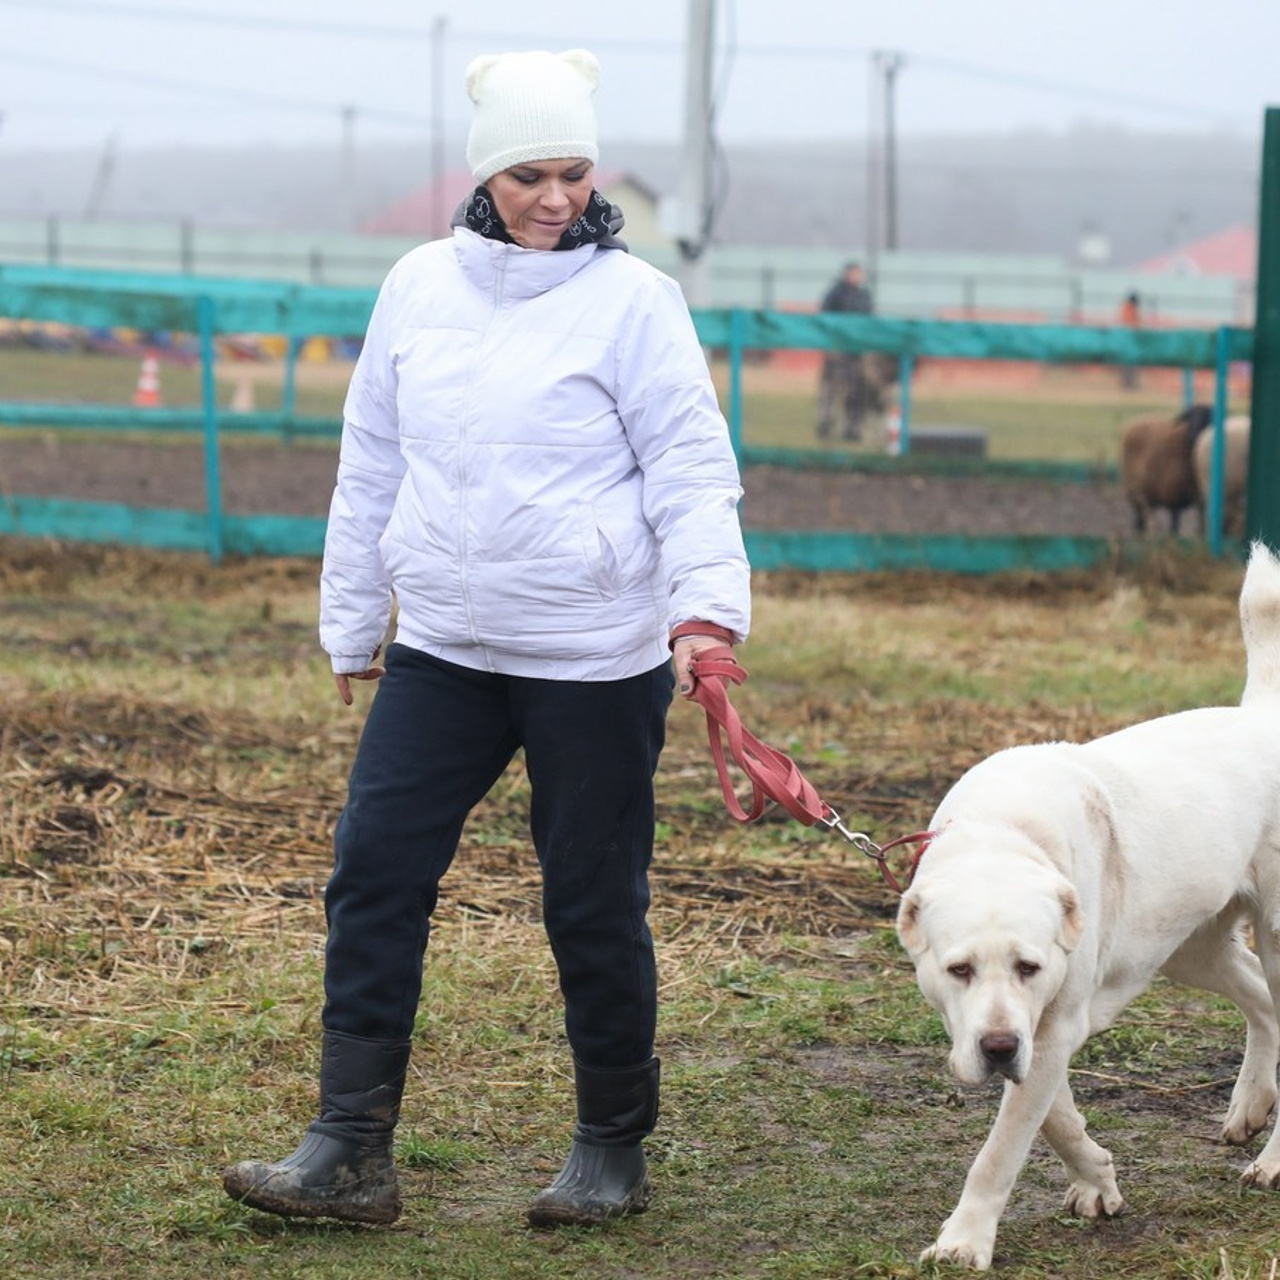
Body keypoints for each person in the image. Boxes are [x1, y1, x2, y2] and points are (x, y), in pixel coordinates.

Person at [222, 48, 751, 1232]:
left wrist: (703, 615)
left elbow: (688, 469)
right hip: (445, 647)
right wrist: (354, 618)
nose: (554, 198)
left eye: (571, 172)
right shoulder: (417, 284)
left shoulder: (633, 302)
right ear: (484, 176)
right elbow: (372, 459)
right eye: (527, 175)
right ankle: (348, 1148)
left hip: (591, 659)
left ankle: (610, 1145)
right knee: (374, 872)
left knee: (590, 899)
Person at [816, 260, 875, 441]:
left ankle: (852, 428)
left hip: (856, 352)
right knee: (831, 390)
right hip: (837, 350)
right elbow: (825, 316)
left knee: (856, 391)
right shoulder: (836, 294)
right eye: (854, 273)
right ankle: (825, 424)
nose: (857, 277)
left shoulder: (863, 296)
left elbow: (868, 320)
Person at [1118, 290, 1142, 390]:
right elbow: (1131, 324)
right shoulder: (1128, 308)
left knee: (1129, 364)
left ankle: (1129, 383)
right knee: (1129, 364)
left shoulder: (1128, 308)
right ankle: (1128, 383)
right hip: (1129, 341)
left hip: (1129, 341)